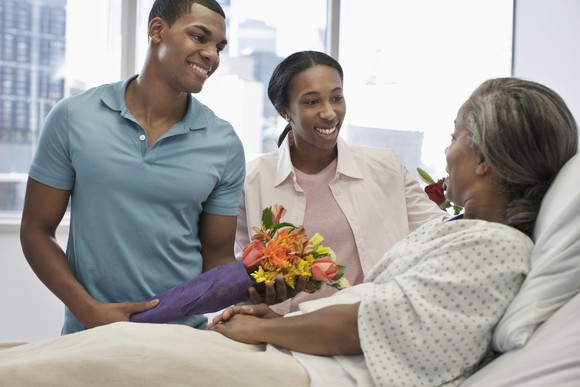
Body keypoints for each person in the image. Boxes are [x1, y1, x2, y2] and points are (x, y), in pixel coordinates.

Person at [3, 77, 576, 387]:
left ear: (485, 160)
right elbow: (235, 263)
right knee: (91, 350)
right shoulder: (462, 233)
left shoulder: (495, 247)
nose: (446, 151)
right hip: (289, 340)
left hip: (305, 364)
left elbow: (373, 320)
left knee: (110, 356)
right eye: (311, 99)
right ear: (285, 111)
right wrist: (267, 313)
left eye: (456, 135)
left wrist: (258, 329)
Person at [19, 0, 246, 335]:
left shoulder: (224, 143)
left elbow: (217, 261)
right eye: (200, 37)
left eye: (219, 47)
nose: (212, 55)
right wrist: (89, 311)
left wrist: (256, 283)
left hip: (183, 339)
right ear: (157, 31)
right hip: (88, 336)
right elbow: (36, 231)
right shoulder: (73, 117)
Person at [237, 51, 445, 310]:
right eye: (312, 102)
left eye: (336, 98)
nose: (329, 113)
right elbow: (239, 275)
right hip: (286, 329)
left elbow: (441, 233)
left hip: (370, 323)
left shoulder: (385, 167)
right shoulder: (252, 182)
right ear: (284, 112)